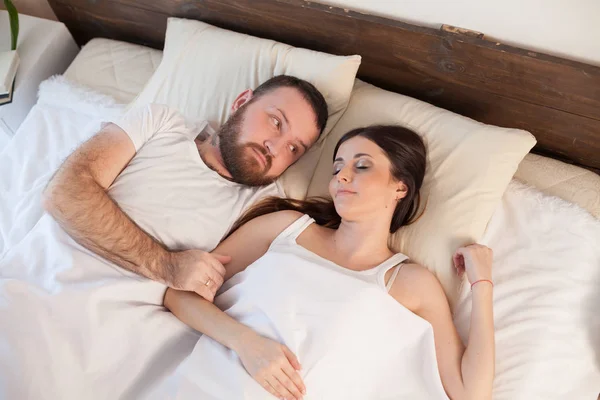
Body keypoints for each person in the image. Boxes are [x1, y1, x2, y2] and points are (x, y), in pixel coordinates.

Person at [163, 125, 495, 400]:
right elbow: (180, 294)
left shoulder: (410, 283)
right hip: (203, 385)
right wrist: (246, 343)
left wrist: (482, 284)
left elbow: (468, 393)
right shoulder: (284, 228)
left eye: (361, 166)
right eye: (337, 167)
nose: (342, 177)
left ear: (400, 186)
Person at [43, 75, 328, 302]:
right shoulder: (161, 122)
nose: (275, 147)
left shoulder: (263, 207)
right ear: (241, 101)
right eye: (276, 122)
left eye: (294, 148)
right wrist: (165, 265)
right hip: (40, 281)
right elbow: (64, 192)